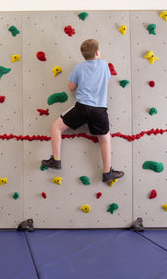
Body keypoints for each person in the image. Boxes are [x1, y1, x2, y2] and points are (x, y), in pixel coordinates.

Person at [41, 39, 124, 182]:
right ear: (98, 52)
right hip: (99, 110)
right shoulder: (104, 64)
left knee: (55, 127)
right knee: (105, 139)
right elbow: (107, 81)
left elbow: (71, 87)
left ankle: (56, 160)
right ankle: (107, 172)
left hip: (82, 107)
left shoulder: (78, 67)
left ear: (83, 55)